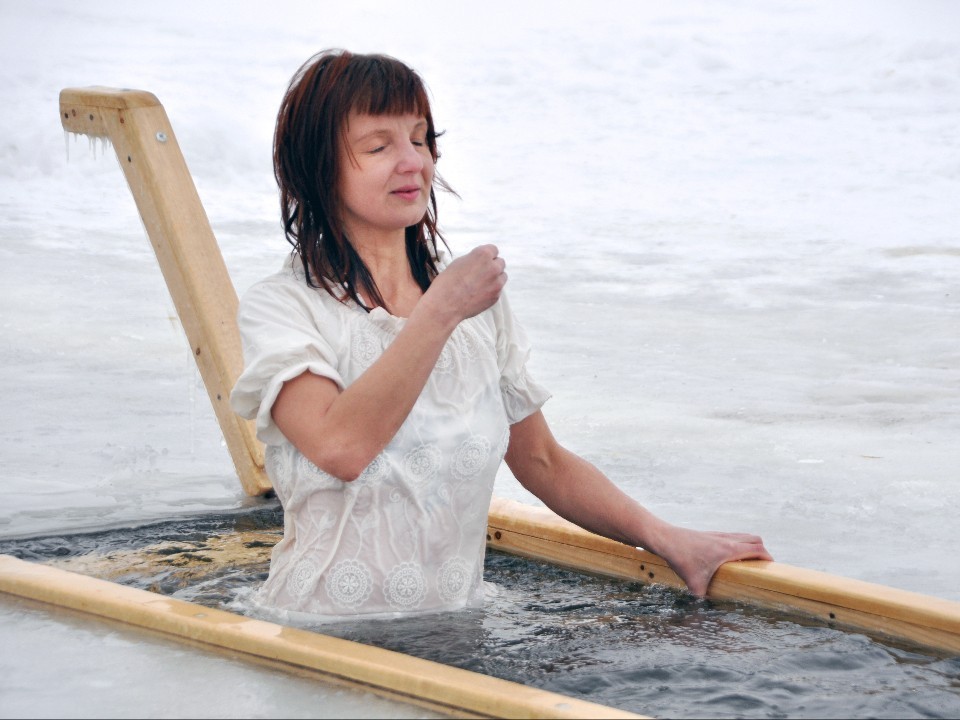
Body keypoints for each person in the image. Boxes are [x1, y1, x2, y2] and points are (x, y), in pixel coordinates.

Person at [230, 49, 772, 622]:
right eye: (377, 146)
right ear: (318, 167)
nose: (412, 161)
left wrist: (666, 538)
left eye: (420, 138)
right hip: (316, 631)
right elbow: (341, 448)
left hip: (458, 627)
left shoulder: (472, 301)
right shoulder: (285, 307)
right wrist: (440, 312)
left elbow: (541, 460)